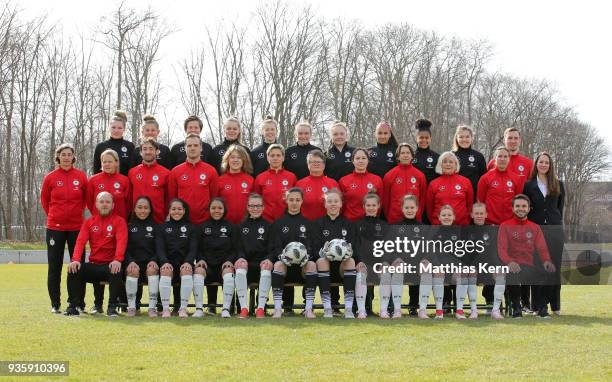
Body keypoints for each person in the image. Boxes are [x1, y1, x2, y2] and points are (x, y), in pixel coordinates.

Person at [41, 143, 88, 313]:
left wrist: (75, 215)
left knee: (77, 264)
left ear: (73, 157)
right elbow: (45, 202)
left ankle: (76, 302)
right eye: (63, 154)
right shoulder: (50, 178)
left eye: (69, 154)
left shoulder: (81, 176)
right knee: (55, 266)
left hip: (77, 228)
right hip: (55, 228)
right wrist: (56, 216)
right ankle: (55, 303)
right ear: (58, 157)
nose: (66, 157)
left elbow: (85, 200)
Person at [64, 192, 127, 316]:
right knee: (73, 269)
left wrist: (117, 259)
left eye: (108, 202)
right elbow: (80, 242)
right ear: (96, 205)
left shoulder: (119, 221)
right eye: (102, 202)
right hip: (94, 264)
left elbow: (122, 242)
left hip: (110, 265)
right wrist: (75, 259)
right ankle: (73, 306)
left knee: (116, 269)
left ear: (113, 205)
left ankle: (112, 306)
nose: (104, 204)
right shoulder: (89, 222)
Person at [497, 194, 556, 318]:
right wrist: (510, 262)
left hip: (529, 266)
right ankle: (516, 308)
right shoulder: (505, 226)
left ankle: (542, 308)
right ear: (513, 208)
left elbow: (542, 248)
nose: (521, 208)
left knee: (550, 273)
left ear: (529, 209)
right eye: (517, 206)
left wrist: (546, 261)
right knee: (512, 273)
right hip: (511, 265)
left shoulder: (535, 227)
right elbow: (502, 249)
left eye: (524, 206)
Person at [522, 152, 565, 316]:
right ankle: (537, 305)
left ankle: (555, 305)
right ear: (536, 164)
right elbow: (525, 208)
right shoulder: (528, 185)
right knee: (537, 269)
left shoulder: (558, 184)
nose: (544, 165)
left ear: (550, 165)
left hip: (554, 231)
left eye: (547, 162)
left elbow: (560, 208)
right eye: (541, 162)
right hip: (535, 232)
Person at [268, 188, 318, 318]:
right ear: (286, 201)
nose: (294, 203)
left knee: (312, 265)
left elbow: (312, 246)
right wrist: (283, 257)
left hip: (302, 268)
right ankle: (278, 309)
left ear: (302, 201)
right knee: (278, 265)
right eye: (291, 200)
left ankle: (308, 309)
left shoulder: (308, 224)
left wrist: (306, 257)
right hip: (285, 267)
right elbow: (275, 247)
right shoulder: (279, 223)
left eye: (297, 200)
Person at [313, 189, 360, 318]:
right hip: (324, 266)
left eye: (336, 201)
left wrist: (349, 253)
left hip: (342, 268)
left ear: (341, 204)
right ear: (325, 204)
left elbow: (354, 248)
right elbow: (314, 249)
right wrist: (324, 253)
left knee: (350, 261)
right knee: (322, 261)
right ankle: (327, 308)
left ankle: (349, 309)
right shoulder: (318, 224)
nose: (333, 204)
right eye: (329, 201)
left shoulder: (349, 225)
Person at [156, 198, 198, 318]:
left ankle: (182, 309)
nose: (176, 212)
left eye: (179, 209)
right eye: (173, 209)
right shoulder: (162, 227)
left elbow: (193, 249)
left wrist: (189, 262)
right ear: (169, 211)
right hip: (168, 263)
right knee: (166, 270)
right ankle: (165, 309)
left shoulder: (191, 228)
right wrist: (164, 262)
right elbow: (160, 248)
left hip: (184, 263)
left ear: (184, 211)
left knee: (186, 270)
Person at [197, 198, 239, 318]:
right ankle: (201, 309)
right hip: (208, 265)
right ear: (209, 210)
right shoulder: (202, 227)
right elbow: (198, 248)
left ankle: (227, 308)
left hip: (224, 265)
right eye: (213, 208)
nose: (217, 211)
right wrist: (200, 259)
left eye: (220, 208)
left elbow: (235, 249)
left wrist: (229, 261)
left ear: (224, 210)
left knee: (228, 271)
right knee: (199, 270)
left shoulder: (231, 227)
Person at [418, 205, 459, 320]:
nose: (447, 217)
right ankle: (423, 310)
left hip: (451, 267)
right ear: (439, 217)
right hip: (435, 265)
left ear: (454, 217)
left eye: (449, 215)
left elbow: (460, 254)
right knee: (426, 269)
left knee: (462, 274)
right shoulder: (433, 230)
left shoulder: (458, 231)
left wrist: (456, 267)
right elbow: (429, 249)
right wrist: (437, 266)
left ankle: (458, 311)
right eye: (444, 215)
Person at [384, 195, 422, 318]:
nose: (410, 210)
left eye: (412, 207)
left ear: (417, 208)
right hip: (399, 264)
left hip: (415, 264)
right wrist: (395, 258)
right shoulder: (395, 227)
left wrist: (422, 261)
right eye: (407, 207)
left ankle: (413, 307)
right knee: (397, 268)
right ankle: (395, 308)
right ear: (402, 209)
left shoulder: (422, 227)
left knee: (419, 269)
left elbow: (426, 248)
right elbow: (388, 248)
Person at [462, 202, 503, 319]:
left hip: (488, 266)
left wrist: (496, 266)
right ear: (471, 215)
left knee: (500, 273)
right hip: (472, 266)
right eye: (476, 213)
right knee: (471, 273)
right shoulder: (465, 230)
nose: (479, 216)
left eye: (481, 213)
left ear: (486, 215)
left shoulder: (492, 230)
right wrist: (469, 266)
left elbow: (494, 252)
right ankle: (473, 310)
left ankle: (495, 310)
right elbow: (463, 252)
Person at [168, 134, 218, 225]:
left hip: (205, 222)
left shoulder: (211, 171)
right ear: (185, 148)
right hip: (182, 221)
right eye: (189, 146)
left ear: (201, 148)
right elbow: (172, 198)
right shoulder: (175, 171)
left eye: (196, 145)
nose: (192, 148)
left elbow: (214, 197)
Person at [237, 193, 272, 318]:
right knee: (240, 269)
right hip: (247, 264)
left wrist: (268, 259)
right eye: (252, 206)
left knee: (266, 270)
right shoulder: (241, 226)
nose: (255, 209)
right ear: (247, 207)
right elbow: (238, 247)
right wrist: (241, 258)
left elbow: (272, 248)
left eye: (258, 206)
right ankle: (244, 308)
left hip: (261, 264)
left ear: (263, 208)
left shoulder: (268, 226)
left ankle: (261, 308)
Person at [124, 196, 159, 317]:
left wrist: (154, 260)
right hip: (134, 263)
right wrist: (130, 262)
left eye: (146, 208)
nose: (142, 211)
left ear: (150, 210)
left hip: (150, 263)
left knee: (152, 269)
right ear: (134, 209)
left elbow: (159, 248)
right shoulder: (128, 227)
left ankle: (152, 308)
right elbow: (125, 249)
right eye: (139, 207)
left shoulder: (156, 227)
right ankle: (132, 307)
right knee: (132, 271)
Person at [355, 192, 388, 317]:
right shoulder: (357, 225)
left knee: (385, 274)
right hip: (363, 263)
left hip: (379, 263)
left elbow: (388, 247)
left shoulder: (384, 225)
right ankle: (362, 310)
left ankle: (384, 310)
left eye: (374, 205)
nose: (371, 207)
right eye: (368, 205)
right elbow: (356, 246)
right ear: (363, 206)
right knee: (361, 275)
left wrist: (384, 262)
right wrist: (359, 261)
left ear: (378, 206)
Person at [128, 138, 170, 224]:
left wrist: (164, 215)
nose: (148, 152)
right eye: (145, 149)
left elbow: (168, 198)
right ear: (140, 152)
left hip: (158, 220)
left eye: (151, 149)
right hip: (137, 220)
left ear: (157, 151)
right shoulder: (132, 172)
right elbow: (129, 198)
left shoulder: (166, 173)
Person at [382, 143, 427, 223]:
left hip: (414, 219)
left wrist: (418, 213)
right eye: (402, 153)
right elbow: (385, 200)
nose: (405, 155)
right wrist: (389, 215)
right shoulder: (389, 175)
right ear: (398, 156)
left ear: (412, 156)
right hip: (395, 219)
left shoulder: (420, 175)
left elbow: (422, 200)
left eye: (408, 153)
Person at [426, 151, 474, 226]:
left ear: (456, 165)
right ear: (440, 165)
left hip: (461, 225)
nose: (448, 164)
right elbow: (429, 207)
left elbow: (470, 205)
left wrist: (466, 220)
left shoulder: (466, 182)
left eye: (451, 162)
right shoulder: (433, 183)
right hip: (439, 225)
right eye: (445, 162)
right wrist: (434, 221)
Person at [476, 147, 521, 225]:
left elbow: (517, 202)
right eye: (499, 156)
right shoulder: (485, 178)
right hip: (490, 223)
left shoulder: (516, 178)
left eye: (505, 156)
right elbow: (480, 202)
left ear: (509, 159)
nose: (502, 159)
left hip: (510, 224)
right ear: (495, 158)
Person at [253, 144, 297, 222]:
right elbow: (256, 200)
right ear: (267, 158)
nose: (275, 158)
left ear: (283, 158)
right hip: (265, 220)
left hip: (286, 220)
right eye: (272, 155)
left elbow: (296, 199)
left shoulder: (291, 177)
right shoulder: (260, 178)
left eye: (278, 155)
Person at [339, 147, 384, 221]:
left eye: (363, 158)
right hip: (350, 222)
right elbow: (341, 204)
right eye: (357, 158)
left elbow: (380, 202)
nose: (361, 161)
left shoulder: (377, 180)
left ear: (368, 160)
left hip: (371, 222)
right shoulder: (343, 181)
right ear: (353, 161)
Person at [213, 145, 254, 224]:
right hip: (225, 224)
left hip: (246, 224)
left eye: (239, 157)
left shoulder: (250, 180)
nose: (236, 160)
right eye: (232, 157)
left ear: (244, 160)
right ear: (227, 160)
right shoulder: (219, 180)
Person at [87, 149, 131, 222]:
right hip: (98, 223)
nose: (107, 164)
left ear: (116, 163)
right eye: (104, 162)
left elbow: (128, 204)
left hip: (118, 223)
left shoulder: (124, 180)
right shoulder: (93, 180)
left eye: (110, 162)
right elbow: (89, 202)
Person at [296, 149, 340, 221]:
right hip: (306, 224)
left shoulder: (333, 183)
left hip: (328, 224)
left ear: (324, 165)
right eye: (313, 162)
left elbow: (339, 206)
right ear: (308, 164)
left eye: (319, 162)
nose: (316, 164)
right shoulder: (300, 184)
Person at [93, 111, 135, 176]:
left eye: (120, 128)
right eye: (113, 127)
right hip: (104, 184)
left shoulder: (130, 146)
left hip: (124, 184)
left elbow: (132, 170)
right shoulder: (101, 146)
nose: (116, 130)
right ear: (109, 128)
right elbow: (96, 170)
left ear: (124, 129)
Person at [452, 125, 487, 197]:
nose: (464, 139)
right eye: (461, 137)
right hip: (454, 196)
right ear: (456, 139)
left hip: (474, 197)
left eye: (467, 137)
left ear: (472, 138)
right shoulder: (451, 156)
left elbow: (484, 180)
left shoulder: (478, 156)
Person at [412, 118, 439, 185]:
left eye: (427, 138)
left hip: (430, 192)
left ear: (430, 138)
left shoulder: (437, 157)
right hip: (414, 192)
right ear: (416, 138)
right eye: (421, 137)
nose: (424, 140)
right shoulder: (411, 156)